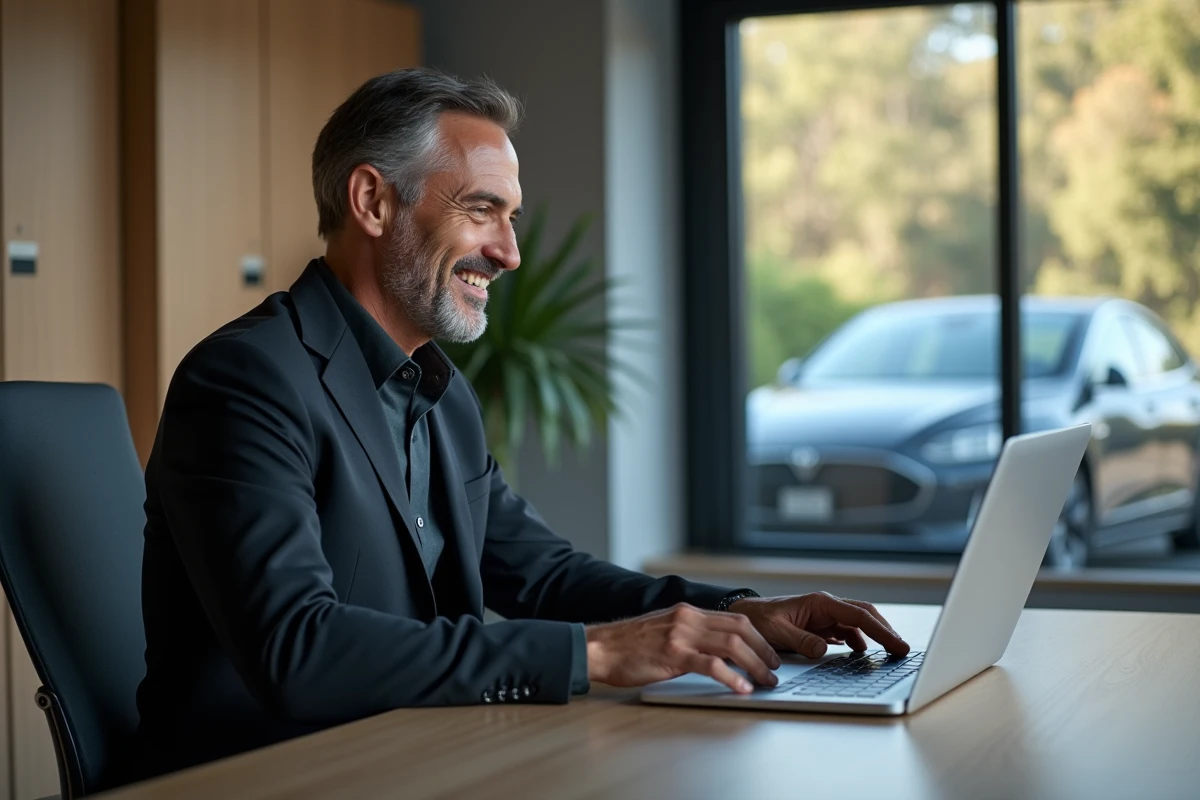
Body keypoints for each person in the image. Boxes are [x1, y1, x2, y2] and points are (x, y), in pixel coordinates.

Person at [133, 67, 908, 778]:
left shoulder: (438, 391)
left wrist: (733, 614)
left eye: (511, 217)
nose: (508, 253)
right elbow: (297, 650)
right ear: (372, 202)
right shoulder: (245, 380)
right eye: (481, 210)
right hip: (271, 778)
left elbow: (542, 575)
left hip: (418, 760)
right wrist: (595, 651)